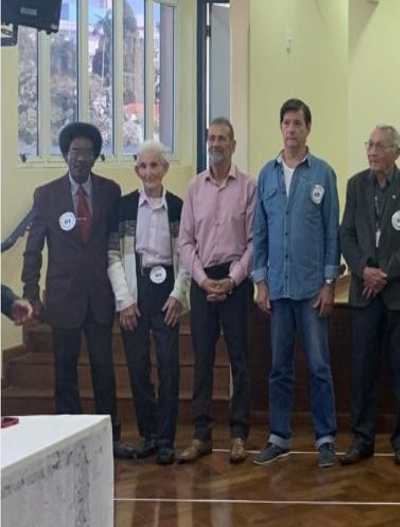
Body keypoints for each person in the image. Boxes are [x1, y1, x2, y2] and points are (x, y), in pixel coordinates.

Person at [21, 122, 132, 458]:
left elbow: (118, 243)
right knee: (65, 373)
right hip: (63, 298)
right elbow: (33, 248)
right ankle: (67, 442)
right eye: (75, 152)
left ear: (95, 157)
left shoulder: (111, 191)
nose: (80, 158)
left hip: (99, 297)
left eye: (87, 152)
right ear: (65, 155)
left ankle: (110, 439)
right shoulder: (47, 195)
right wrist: (30, 292)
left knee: (104, 371)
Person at [251, 98, 341, 467]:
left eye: (297, 123)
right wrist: (260, 281)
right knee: (279, 368)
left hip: (311, 289)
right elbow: (259, 231)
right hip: (278, 289)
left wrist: (329, 282)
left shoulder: (323, 173)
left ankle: (325, 439)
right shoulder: (267, 175)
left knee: (319, 366)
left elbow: (332, 231)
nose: (291, 129)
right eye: (286, 123)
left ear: (308, 129)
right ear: (281, 128)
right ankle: (279, 437)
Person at [338, 124, 400, 467]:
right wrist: (364, 271)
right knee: (363, 370)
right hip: (364, 294)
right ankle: (362, 439)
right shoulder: (356, 186)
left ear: (396, 152)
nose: (372, 152)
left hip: (398, 295)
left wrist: (384, 273)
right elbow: (346, 236)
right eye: (370, 145)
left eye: (380, 146)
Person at [176, 117, 257, 466]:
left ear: (233, 145)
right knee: (203, 361)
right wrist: (202, 279)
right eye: (211, 138)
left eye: (223, 138)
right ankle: (201, 434)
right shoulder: (195, 187)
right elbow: (184, 241)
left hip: (236, 282)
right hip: (203, 281)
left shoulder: (249, 186)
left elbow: (255, 242)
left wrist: (233, 280)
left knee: (240, 361)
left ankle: (238, 435)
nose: (216, 143)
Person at [108, 141, 189, 465]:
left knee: (169, 367)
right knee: (138, 366)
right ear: (136, 170)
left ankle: (167, 439)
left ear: (165, 168)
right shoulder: (123, 207)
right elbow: (112, 256)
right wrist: (124, 300)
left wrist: (178, 295)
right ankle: (150, 435)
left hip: (167, 290)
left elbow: (187, 257)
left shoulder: (179, 207)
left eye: (155, 165)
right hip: (135, 290)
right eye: (143, 166)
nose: (149, 172)